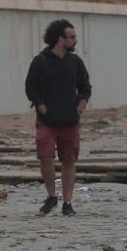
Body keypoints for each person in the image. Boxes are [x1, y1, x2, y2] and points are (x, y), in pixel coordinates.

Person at [25, 19, 92, 216]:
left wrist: (79, 109)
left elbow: (85, 88)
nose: (75, 40)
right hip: (47, 121)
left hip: (70, 121)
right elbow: (31, 88)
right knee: (45, 157)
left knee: (69, 161)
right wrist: (42, 107)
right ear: (60, 39)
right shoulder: (41, 61)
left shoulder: (75, 62)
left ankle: (68, 202)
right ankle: (51, 196)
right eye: (71, 37)